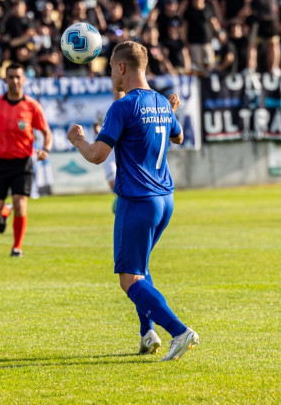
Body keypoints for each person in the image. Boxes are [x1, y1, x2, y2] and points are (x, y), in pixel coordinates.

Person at [66, 41, 198, 361]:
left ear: (122, 67)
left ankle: (179, 331)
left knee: (128, 280)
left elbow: (98, 155)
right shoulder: (162, 104)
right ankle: (147, 333)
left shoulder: (123, 106)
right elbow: (178, 136)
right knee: (140, 270)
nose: (111, 73)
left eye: (111, 67)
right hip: (165, 199)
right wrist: (169, 111)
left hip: (137, 201)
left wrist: (78, 139)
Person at [0, 62, 53, 257]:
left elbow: (46, 133)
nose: (14, 81)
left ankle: (16, 247)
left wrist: (45, 149)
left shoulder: (31, 106)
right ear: (5, 80)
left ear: (24, 79)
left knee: (20, 204)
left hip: (22, 161)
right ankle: (4, 212)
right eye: (10, 77)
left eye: (18, 77)